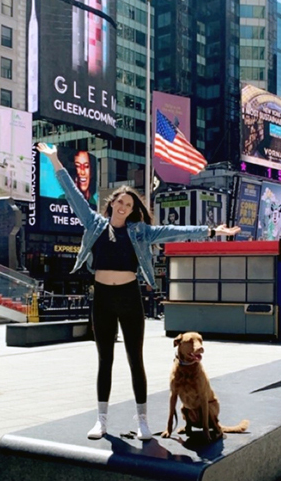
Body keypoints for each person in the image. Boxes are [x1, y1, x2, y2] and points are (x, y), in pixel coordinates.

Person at [37, 143, 240, 441]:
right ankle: (101, 420)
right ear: (112, 203)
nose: (124, 207)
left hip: (130, 298)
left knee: (135, 359)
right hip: (103, 298)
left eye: (129, 205)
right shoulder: (94, 224)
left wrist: (211, 231)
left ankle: (143, 420)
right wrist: (54, 159)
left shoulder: (140, 231)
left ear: (133, 210)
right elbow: (72, 194)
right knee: (104, 359)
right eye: (120, 202)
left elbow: (176, 232)